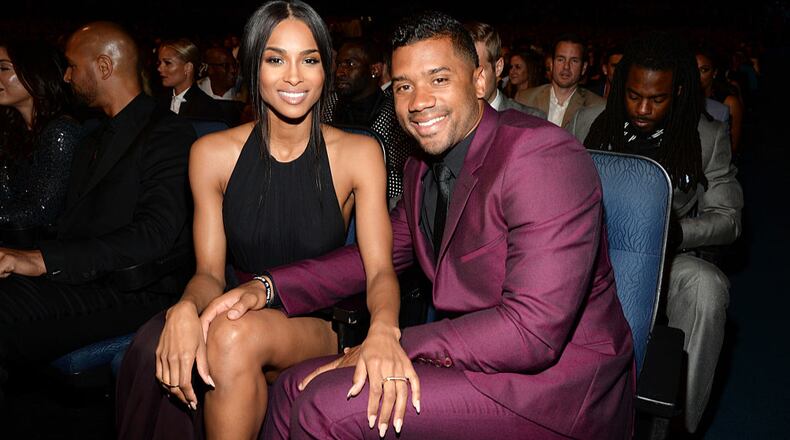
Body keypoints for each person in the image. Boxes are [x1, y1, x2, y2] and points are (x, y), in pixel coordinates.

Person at [261, 10, 634, 439]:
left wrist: (394, 342)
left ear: (479, 81)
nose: (419, 102)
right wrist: (267, 287)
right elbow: (372, 256)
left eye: (438, 79)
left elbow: (532, 331)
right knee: (290, 387)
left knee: (322, 407)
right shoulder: (422, 166)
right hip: (474, 359)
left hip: (554, 392)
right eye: (404, 86)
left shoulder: (541, 156)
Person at [116, 2, 400, 439]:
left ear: (325, 69)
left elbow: (379, 268)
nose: (293, 76)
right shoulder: (211, 154)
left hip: (320, 319)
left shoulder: (360, 154)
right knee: (179, 335)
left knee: (229, 337)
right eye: (275, 59)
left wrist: (384, 331)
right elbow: (209, 274)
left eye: (309, 59)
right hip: (235, 306)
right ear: (253, 67)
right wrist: (186, 309)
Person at [0, 21, 194, 429]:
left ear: (104, 66)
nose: (66, 76)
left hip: (132, 291)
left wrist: (39, 260)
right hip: (79, 281)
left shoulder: (168, 133)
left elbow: (154, 236)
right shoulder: (90, 135)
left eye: (71, 66)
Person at [570, 31, 743, 434]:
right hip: (592, 248)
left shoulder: (706, 135)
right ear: (618, 88)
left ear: (678, 92)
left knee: (707, 285)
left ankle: (680, 418)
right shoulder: (586, 122)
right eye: (633, 95)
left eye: (658, 98)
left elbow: (729, 219)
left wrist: (675, 232)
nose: (643, 108)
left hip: (667, 255)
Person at [0, 40, 80, 246]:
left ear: (35, 72)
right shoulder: (14, 130)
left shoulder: (60, 131)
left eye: (3, 68)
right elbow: (6, 195)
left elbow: (42, 210)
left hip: (46, 256)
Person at [322, 37, 417, 206]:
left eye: (350, 64)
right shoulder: (331, 104)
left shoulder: (393, 112)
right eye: (339, 64)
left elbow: (402, 174)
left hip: (385, 203)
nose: (340, 72)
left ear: (375, 69)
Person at [518, 33, 605, 129]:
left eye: (574, 61)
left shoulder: (597, 107)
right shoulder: (524, 99)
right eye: (560, 59)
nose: (566, 67)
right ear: (551, 64)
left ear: (583, 68)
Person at [464, 22, 545, 118]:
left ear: (498, 67)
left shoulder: (531, 120)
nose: (468, 80)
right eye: (462, 72)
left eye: (478, 71)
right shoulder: (447, 120)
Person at [157, 38, 227, 123]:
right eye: (159, 63)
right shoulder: (158, 103)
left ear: (188, 67)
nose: (160, 68)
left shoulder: (207, 108)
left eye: (167, 63)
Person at [697, 46, 744, 154]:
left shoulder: (729, 103)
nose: (697, 75)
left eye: (704, 70)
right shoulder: (680, 98)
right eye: (693, 69)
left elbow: (732, 147)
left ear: (714, 73)